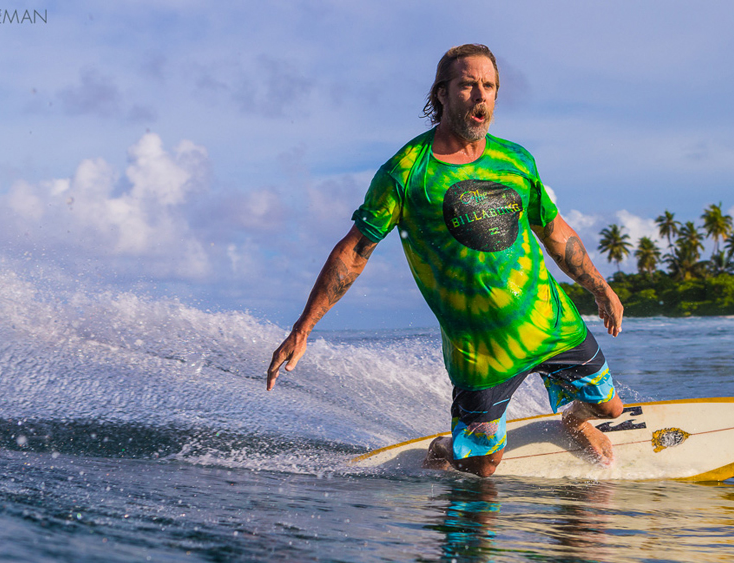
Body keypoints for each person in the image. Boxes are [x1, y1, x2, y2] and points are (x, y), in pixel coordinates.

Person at [266, 44, 624, 477]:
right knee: (484, 466)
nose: (480, 95)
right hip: (480, 353)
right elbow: (355, 251)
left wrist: (600, 288)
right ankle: (444, 449)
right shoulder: (406, 172)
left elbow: (555, 232)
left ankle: (571, 421)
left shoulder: (516, 160)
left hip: (549, 322)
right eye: (467, 85)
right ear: (441, 94)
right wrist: (304, 326)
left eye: (488, 86)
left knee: (608, 406)